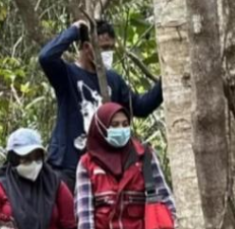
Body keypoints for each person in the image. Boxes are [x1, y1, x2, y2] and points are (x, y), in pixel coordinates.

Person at [38, 19, 164, 190]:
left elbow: (140, 107)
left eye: (111, 48)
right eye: (103, 47)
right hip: (68, 166)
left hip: (102, 168)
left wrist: (165, 82)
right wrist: (75, 30)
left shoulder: (113, 80)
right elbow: (46, 57)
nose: (108, 53)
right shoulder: (67, 75)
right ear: (86, 46)